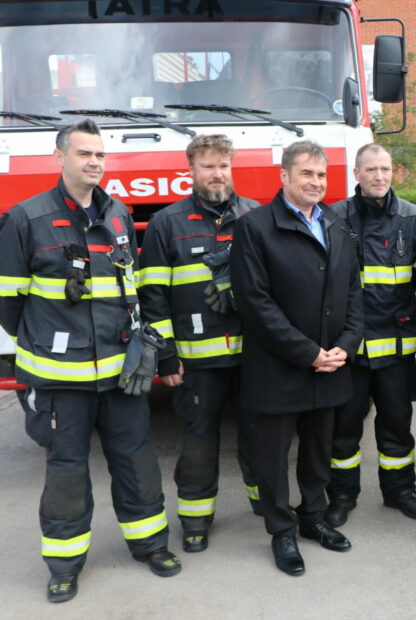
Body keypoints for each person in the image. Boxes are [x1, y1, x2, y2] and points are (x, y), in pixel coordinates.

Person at [0, 119, 181, 603]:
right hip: (62, 381)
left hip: (122, 375)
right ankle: (63, 565)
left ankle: (151, 545)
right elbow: (8, 301)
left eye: (100, 154)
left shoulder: (118, 213)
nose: (94, 162)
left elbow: (131, 290)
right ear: (58, 158)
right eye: (84, 154)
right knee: (66, 471)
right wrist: (45, 342)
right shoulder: (26, 218)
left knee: (137, 460)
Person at [229, 140, 363, 576]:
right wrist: (307, 353)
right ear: (284, 177)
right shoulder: (255, 226)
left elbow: (353, 293)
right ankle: (281, 530)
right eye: (307, 174)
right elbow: (255, 302)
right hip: (278, 368)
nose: (316, 182)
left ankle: (313, 518)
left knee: (318, 452)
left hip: (331, 364)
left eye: (322, 175)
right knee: (272, 456)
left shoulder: (338, 225)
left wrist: (348, 342)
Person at [138, 134, 261, 553]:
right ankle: (195, 519)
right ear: (190, 170)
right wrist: (166, 356)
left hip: (252, 357)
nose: (217, 173)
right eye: (208, 166)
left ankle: (265, 508)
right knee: (199, 442)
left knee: (258, 434)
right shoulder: (165, 224)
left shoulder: (255, 217)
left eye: (224, 165)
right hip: (195, 363)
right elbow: (152, 297)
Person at [325, 144, 416, 526]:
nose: (379, 176)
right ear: (357, 173)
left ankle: (400, 492)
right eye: (371, 169)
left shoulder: (411, 216)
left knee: (398, 423)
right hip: (350, 348)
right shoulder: (334, 217)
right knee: (344, 427)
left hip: (397, 347)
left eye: (385, 169)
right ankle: (340, 496)